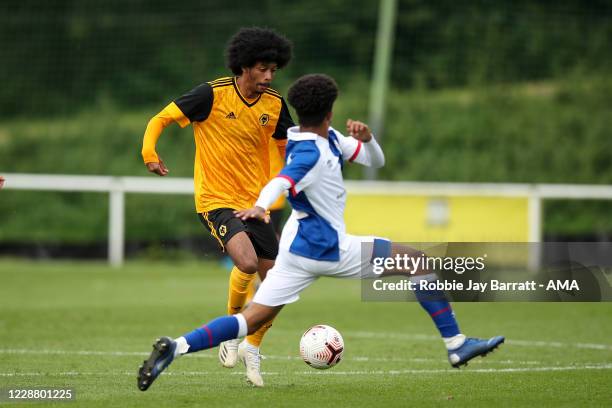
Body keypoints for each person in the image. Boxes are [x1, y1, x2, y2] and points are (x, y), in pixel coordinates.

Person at [137, 74, 504, 391]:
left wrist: (369, 138)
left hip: (296, 252)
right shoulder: (310, 151)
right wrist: (262, 206)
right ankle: (455, 343)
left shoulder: (320, 137)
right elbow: (283, 178)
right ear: (330, 112)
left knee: (250, 318)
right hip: (329, 249)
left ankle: (177, 346)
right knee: (417, 261)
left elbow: (374, 159)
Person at [140, 27, 293, 387]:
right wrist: (149, 153)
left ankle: (252, 346)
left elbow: (289, 150)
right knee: (247, 261)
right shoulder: (211, 95)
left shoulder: (274, 103)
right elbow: (159, 119)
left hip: (256, 205)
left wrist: (286, 188)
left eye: (273, 69)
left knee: (277, 286)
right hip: (215, 200)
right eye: (262, 69)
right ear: (243, 66)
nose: (269, 76)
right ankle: (230, 331)